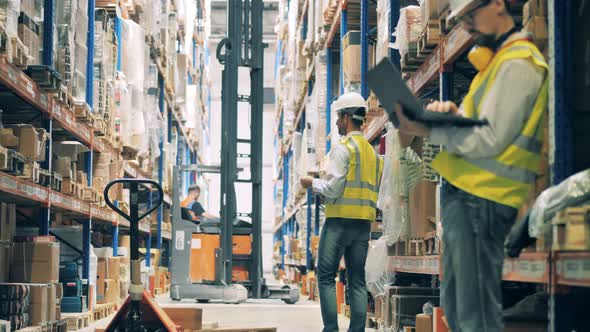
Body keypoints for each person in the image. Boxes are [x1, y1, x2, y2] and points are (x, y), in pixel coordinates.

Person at [394, 1, 548, 331]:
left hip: (483, 200)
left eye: (470, 16)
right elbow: (478, 125)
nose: (468, 25)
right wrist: (451, 116)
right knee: (459, 309)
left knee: (474, 313)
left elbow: (489, 139)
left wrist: (429, 128)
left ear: (496, 5)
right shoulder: (495, 67)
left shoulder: (519, 63)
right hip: (467, 197)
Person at [300, 92, 383, 332]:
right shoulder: (373, 155)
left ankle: (331, 329)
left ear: (347, 117)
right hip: (362, 226)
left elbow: (333, 190)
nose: (336, 123)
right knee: (357, 281)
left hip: (338, 223)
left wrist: (311, 183)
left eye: (338, 118)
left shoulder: (343, 149)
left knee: (325, 276)